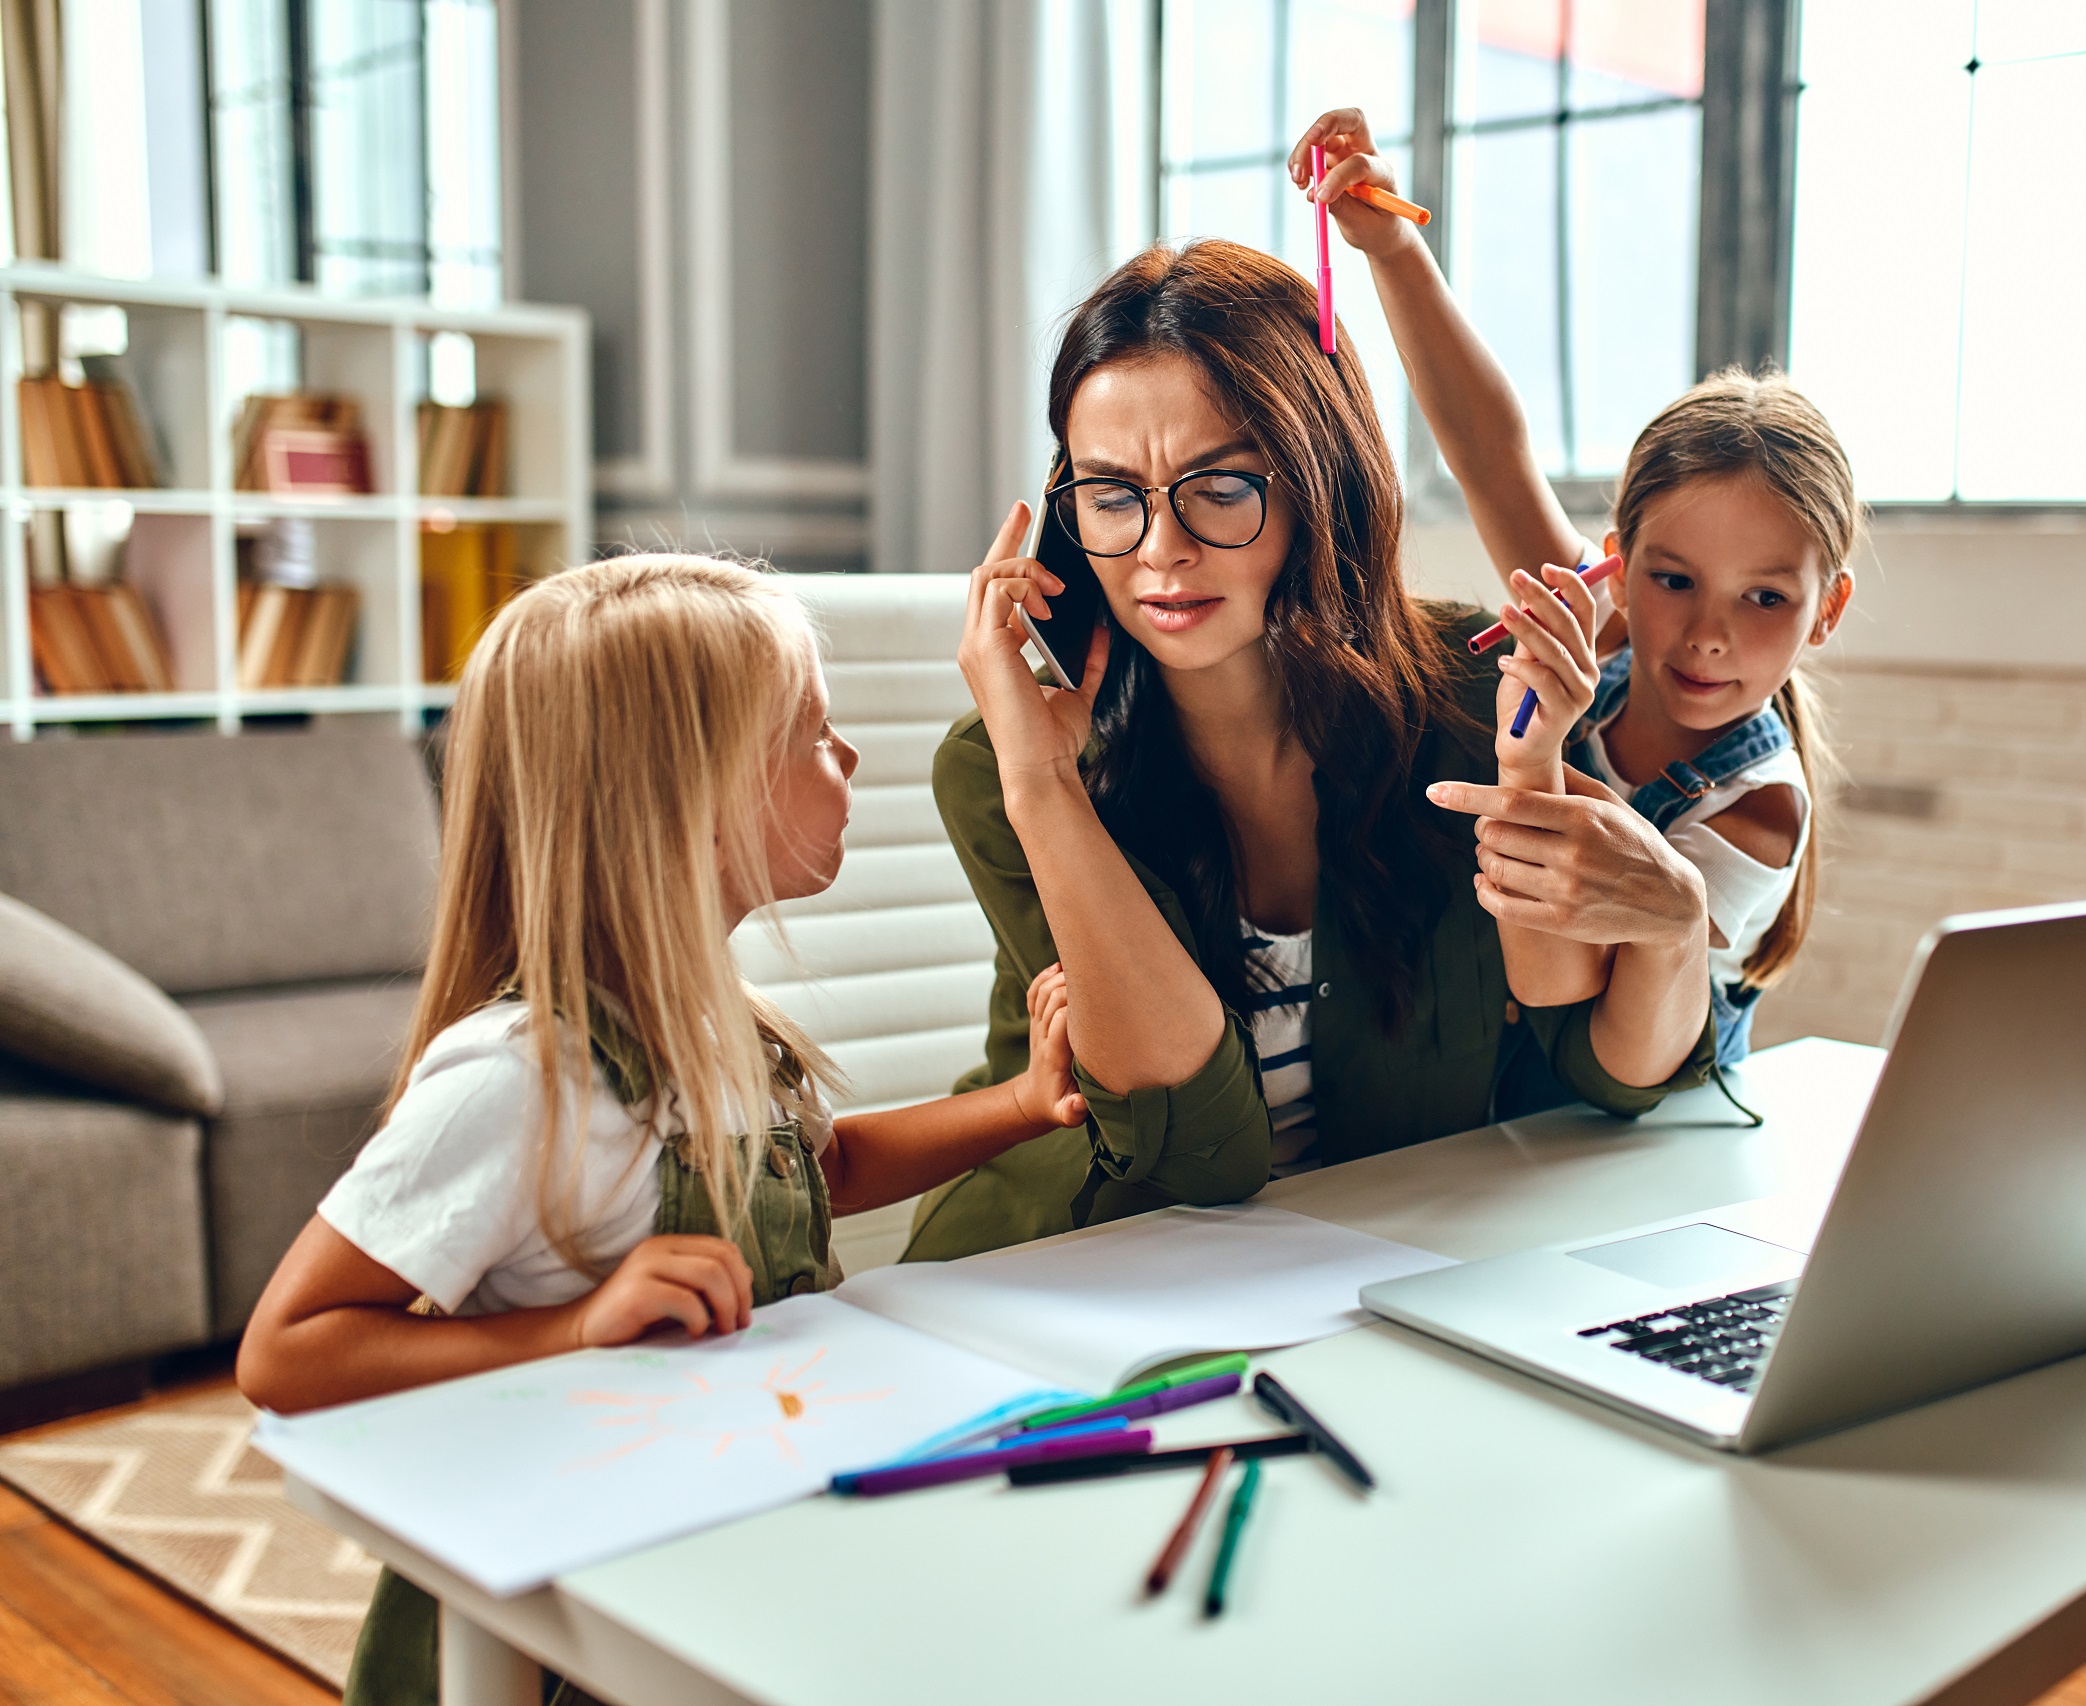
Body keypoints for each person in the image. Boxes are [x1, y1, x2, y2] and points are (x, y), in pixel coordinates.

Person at [234, 556, 1089, 1705]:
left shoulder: (713, 1021)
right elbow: (289, 1349)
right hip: (566, 1600)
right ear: (694, 793)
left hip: (722, 1517)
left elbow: (815, 1168)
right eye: (814, 732)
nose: (848, 757)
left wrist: (1023, 1105)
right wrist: (581, 1324)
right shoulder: (522, 1076)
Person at [913, 238, 1728, 1262]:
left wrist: (1674, 926)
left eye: (1218, 487)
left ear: (1319, 485)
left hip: (1367, 1278)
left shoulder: (1470, 703)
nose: (1161, 548)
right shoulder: (1008, 770)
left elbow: (1598, 1082)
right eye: (1112, 495)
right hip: (1065, 1281)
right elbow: (1193, 1150)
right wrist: (1040, 783)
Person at [1292, 108, 1858, 1079]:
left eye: (1764, 599)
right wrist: (1389, 246)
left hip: (1641, 1129)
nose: (1707, 634)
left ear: (1827, 611)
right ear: (1615, 566)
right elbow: (1485, 446)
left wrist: (1539, 759)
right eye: (1672, 579)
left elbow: (1595, 1018)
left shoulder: (1758, 806)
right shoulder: (1597, 629)